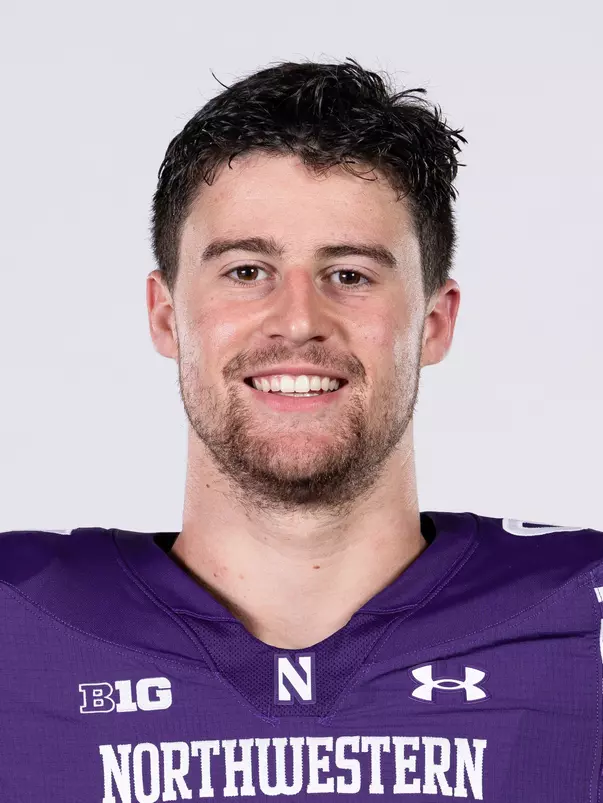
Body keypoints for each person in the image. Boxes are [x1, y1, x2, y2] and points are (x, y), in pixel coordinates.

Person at [0, 58, 601, 803]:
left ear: (434, 322)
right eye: (246, 270)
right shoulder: (15, 628)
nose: (297, 321)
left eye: (349, 274)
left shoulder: (583, 620)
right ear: (164, 315)